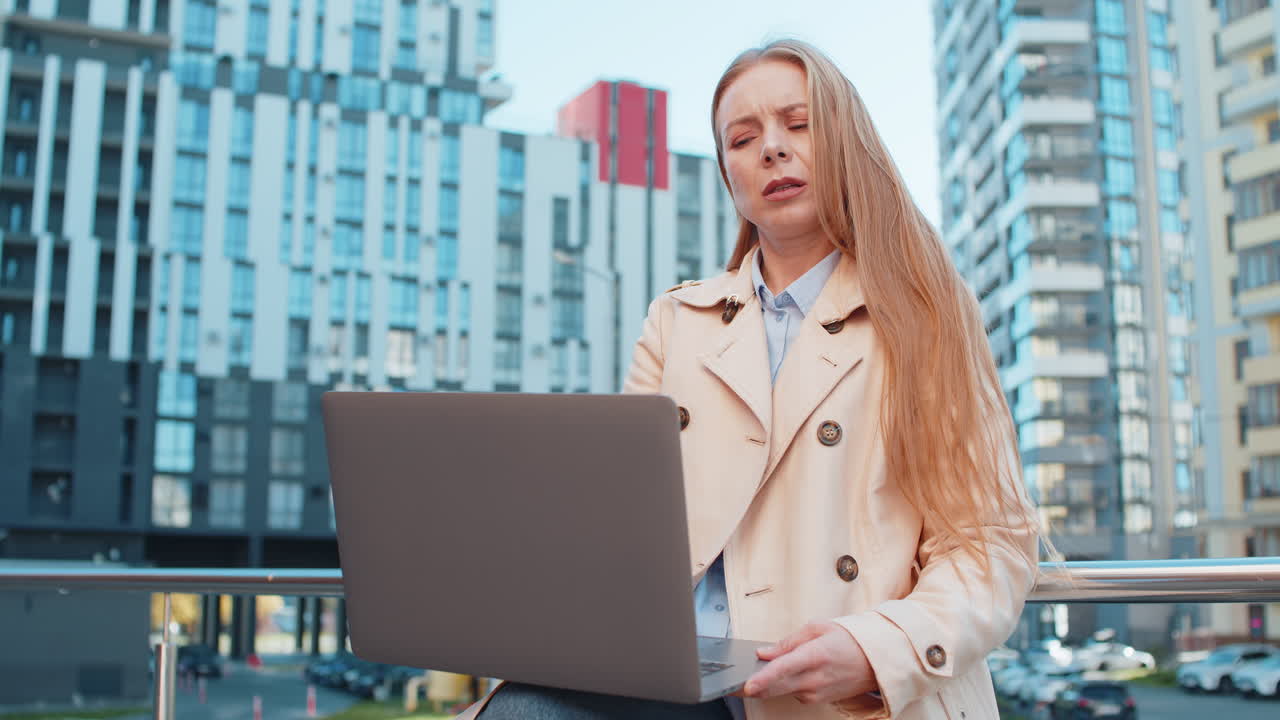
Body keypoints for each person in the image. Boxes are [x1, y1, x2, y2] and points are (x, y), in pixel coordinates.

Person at [460, 38, 1042, 720]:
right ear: (729, 174)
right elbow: (625, 529)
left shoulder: (927, 313)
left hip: (840, 697)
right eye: (742, 138)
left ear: (848, 144)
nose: (771, 148)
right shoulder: (676, 321)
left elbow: (988, 543)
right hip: (674, 679)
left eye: (799, 125)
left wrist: (879, 648)